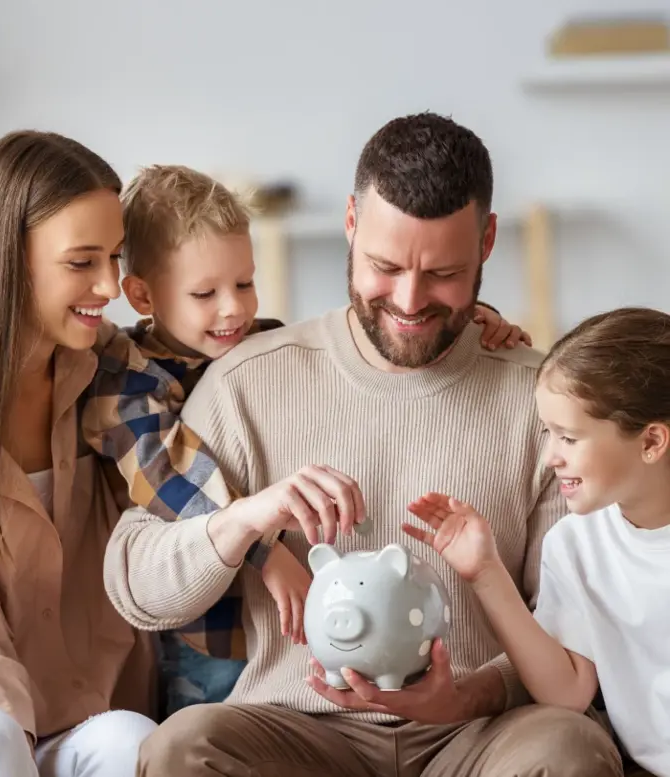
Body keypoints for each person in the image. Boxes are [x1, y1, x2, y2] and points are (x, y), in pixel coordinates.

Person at [107, 111, 623, 777]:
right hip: (294, 731)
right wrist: (246, 519)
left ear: (488, 240)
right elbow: (136, 584)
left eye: (443, 273)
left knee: (570, 749)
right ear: (351, 223)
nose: (409, 300)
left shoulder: (540, 399)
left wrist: (468, 692)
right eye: (385, 266)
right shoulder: (246, 379)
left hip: (478, 735)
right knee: (183, 746)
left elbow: (572, 624)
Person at [82, 163, 528, 717]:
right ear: (142, 295)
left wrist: (472, 319)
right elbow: (172, 484)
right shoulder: (128, 387)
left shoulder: (257, 346)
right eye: (205, 293)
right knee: (206, 725)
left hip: (275, 634)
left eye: (244, 284)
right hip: (209, 632)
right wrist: (266, 552)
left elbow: (366, 330)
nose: (234, 309)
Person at [0, 131, 158, 777]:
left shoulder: (110, 372)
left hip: (81, 715)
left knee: (135, 742)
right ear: (11, 258)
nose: (110, 285)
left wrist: (477, 324)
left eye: (116, 258)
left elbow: (222, 342)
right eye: (82, 262)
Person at [404, 306, 670, 777]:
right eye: (548, 433)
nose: (550, 457)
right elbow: (568, 691)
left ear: (651, 442)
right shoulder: (575, 542)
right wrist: (486, 573)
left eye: (568, 437)